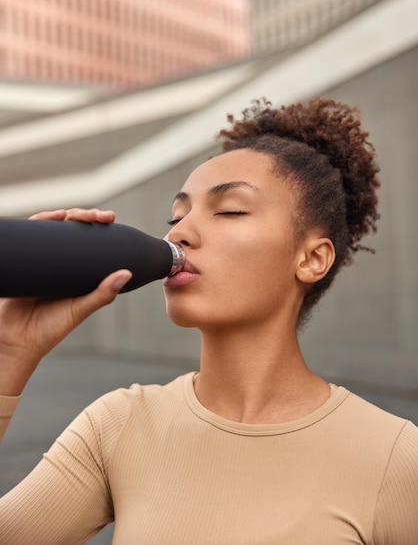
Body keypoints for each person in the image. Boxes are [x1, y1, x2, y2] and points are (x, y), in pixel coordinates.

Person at [0, 98, 417, 544]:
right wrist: (10, 352)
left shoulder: (394, 458)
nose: (179, 232)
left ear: (312, 258)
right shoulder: (120, 425)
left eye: (230, 210)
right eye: (177, 216)